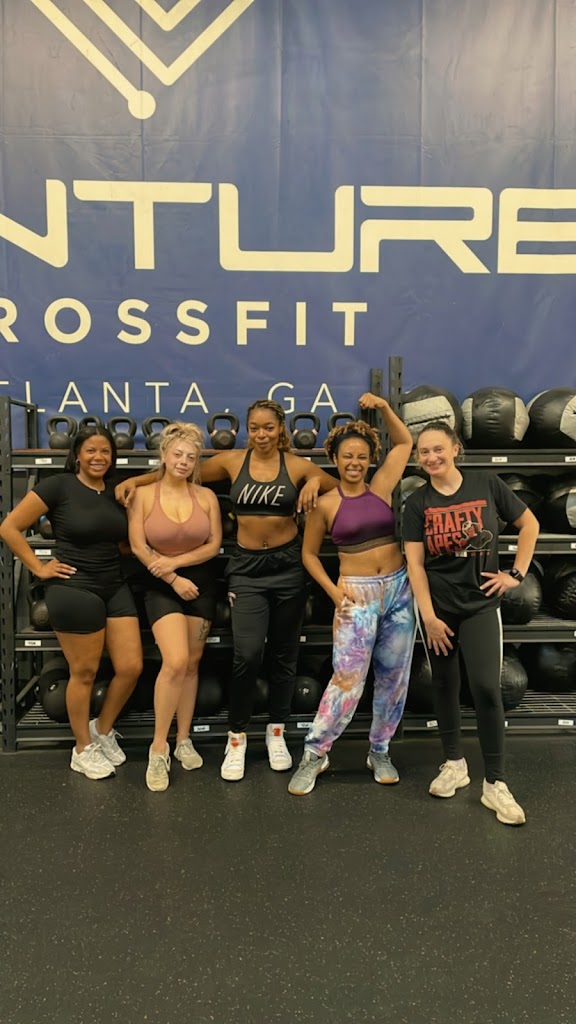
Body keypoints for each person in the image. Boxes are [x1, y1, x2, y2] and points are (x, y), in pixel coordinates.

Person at [117, 398, 339, 781]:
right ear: (247, 430)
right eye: (254, 427)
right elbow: (180, 471)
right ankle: (236, 737)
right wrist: (136, 482)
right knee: (247, 655)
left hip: (287, 567)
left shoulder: (296, 465)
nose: (261, 434)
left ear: (281, 429)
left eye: (268, 427)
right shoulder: (233, 461)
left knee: (284, 656)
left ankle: (276, 732)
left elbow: (339, 487)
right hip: (248, 569)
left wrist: (317, 481)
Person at [402, 420, 540, 826]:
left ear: (455, 449)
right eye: (424, 452)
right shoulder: (417, 503)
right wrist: (428, 617)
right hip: (438, 608)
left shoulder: (486, 484)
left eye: (438, 449)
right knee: (444, 684)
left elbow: (529, 525)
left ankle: (495, 783)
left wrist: (515, 574)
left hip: (480, 605)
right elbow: (415, 564)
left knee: (485, 688)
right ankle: (454, 764)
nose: (431, 457)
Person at [288, 395, 416, 795]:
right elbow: (309, 555)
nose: (355, 462)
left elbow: (404, 443)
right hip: (355, 596)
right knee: (346, 680)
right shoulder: (325, 504)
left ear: (370, 459)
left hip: (398, 590)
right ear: (335, 459)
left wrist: (384, 408)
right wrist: (333, 592)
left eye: (362, 456)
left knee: (394, 677)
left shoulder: (381, 488)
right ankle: (315, 753)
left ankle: (379, 750)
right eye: (348, 456)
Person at [0, 426, 143, 780]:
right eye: (91, 450)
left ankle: (102, 729)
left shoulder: (115, 490)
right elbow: (9, 528)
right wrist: (38, 567)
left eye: (105, 451)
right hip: (74, 587)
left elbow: (120, 537)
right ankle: (82, 749)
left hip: (114, 585)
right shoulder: (58, 486)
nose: (99, 457)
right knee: (84, 673)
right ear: (77, 454)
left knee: (131, 667)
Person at [128, 422, 222, 792]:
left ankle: (183, 739)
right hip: (161, 585)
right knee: (175, 661)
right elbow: (139, 547)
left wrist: (176, 563)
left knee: (193, 663)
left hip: (201, 584)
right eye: (178, 454)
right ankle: (158, 748)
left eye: (191, 457)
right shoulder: (143, 495)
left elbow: (213, 545)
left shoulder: (207, 497)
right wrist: (171, 577)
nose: (183, 461)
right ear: (164, 455)